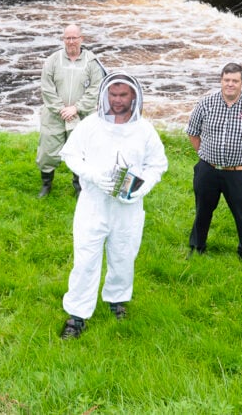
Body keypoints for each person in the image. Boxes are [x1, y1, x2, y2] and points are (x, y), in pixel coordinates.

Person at [57, 72, 168, 339]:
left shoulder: (144, 130)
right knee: (85, 258)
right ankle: (77, 315)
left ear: (134, 97)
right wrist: (93, 175)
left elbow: (158, 164)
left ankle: (116, 299)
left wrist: (142, 187)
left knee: (123, 254)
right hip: (93, 204)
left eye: (123, 95)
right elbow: (69, 154)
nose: (117, 101)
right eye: (113, 95)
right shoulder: (91, 125)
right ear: (105, 95)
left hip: (127, 208)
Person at [185, 62, 242, 266]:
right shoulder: (206, 104)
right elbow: (193, 132)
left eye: (235, 81)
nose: (230, 84)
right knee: (202, 210)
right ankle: (197, 247)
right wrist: (204, 154)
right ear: (221, 80)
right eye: (227, 80)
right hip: (208, 170)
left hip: (238, 172)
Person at [37, 24, 106, 198]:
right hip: (55, 115)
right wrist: (61, 109)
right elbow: (46, 88)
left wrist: (76, 108)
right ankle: (46, 185)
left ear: (81, 39)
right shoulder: (53, 60)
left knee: (81, 152)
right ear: (63, 40)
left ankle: (79, 187)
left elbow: (97, 88)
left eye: (74, 37)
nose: (71, 41)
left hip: (81, 116)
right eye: (67, 38)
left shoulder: (92, 61)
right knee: (48, 152)